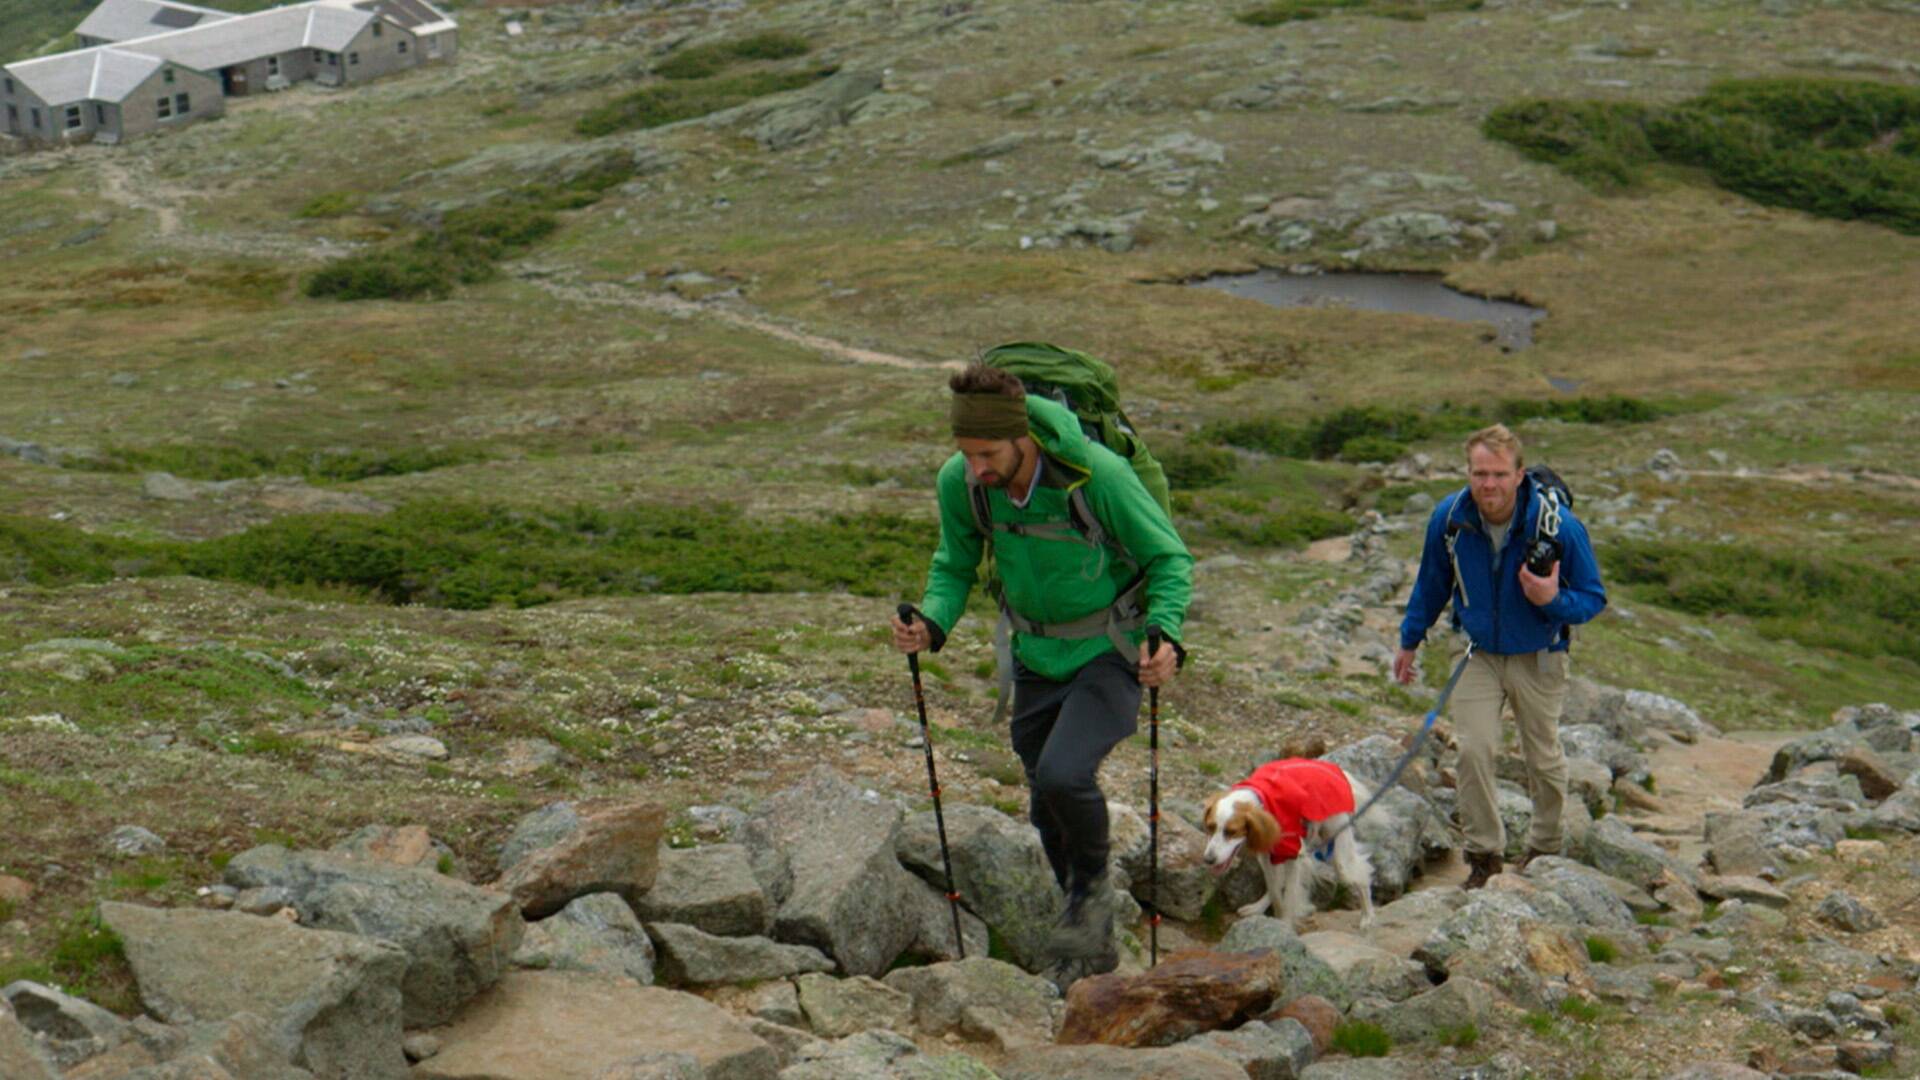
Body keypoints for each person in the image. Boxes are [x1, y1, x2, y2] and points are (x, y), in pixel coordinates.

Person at [890, 362, 1193, 982]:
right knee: (1043, 799)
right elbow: (953, 565)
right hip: (1033, 655)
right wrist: (931, 622)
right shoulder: (964, 482)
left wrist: (1169, 636)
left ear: (1022, 435)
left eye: (988, 452)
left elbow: (1168, 557)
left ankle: (1088, 899)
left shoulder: (1096, 475)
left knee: (1063, 773)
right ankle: (1089, 938)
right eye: (966, 452)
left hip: (1110, 649)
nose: (977, 466)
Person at [1393, 423, 1606, 889]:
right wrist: (1410, 639)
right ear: (1468, 472)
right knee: (1473, 750)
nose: (1488, 484)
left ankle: (1545, 847)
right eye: (1479, 473)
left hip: (1540, 653)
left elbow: (1592, 597)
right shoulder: (1449, 519)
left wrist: (1551, 599)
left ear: (1519, 474)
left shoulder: (1559, 526)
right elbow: (1431, 584)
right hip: (1476, 652)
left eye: (1498, 474)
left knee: (1543, 757)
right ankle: (1484, 855)